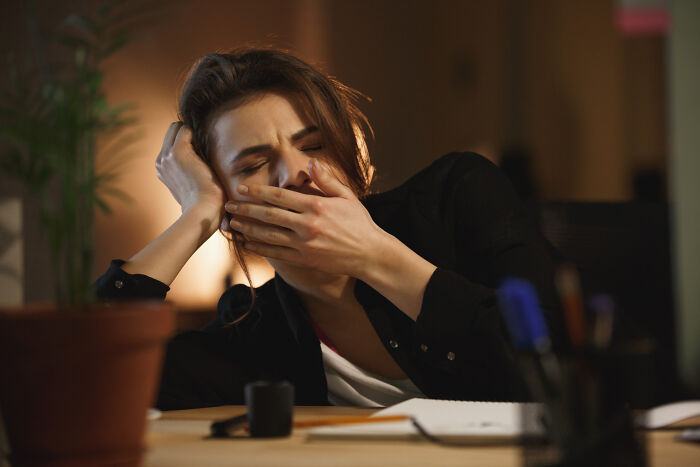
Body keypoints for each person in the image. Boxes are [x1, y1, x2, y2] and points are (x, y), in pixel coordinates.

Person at [95, 48, 562, 410]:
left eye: (313, 145)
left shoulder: (455, 198)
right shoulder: (254, 331)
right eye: (255, 164)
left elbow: (555, 369)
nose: (294, 173)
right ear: (228, 207)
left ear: (350, 156)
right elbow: (91, 379)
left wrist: (374, 257)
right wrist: (195, 215)